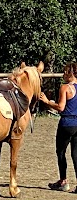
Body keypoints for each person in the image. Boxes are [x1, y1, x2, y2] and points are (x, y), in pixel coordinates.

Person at [40, 62, 77, 192]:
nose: (63, 74)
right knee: (75, 154)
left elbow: (61, 107)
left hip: (67, 123)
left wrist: (47, 102)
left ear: (70, 73)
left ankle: (63, 181)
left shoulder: (65, 88)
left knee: (61, 152)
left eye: (65, 72)